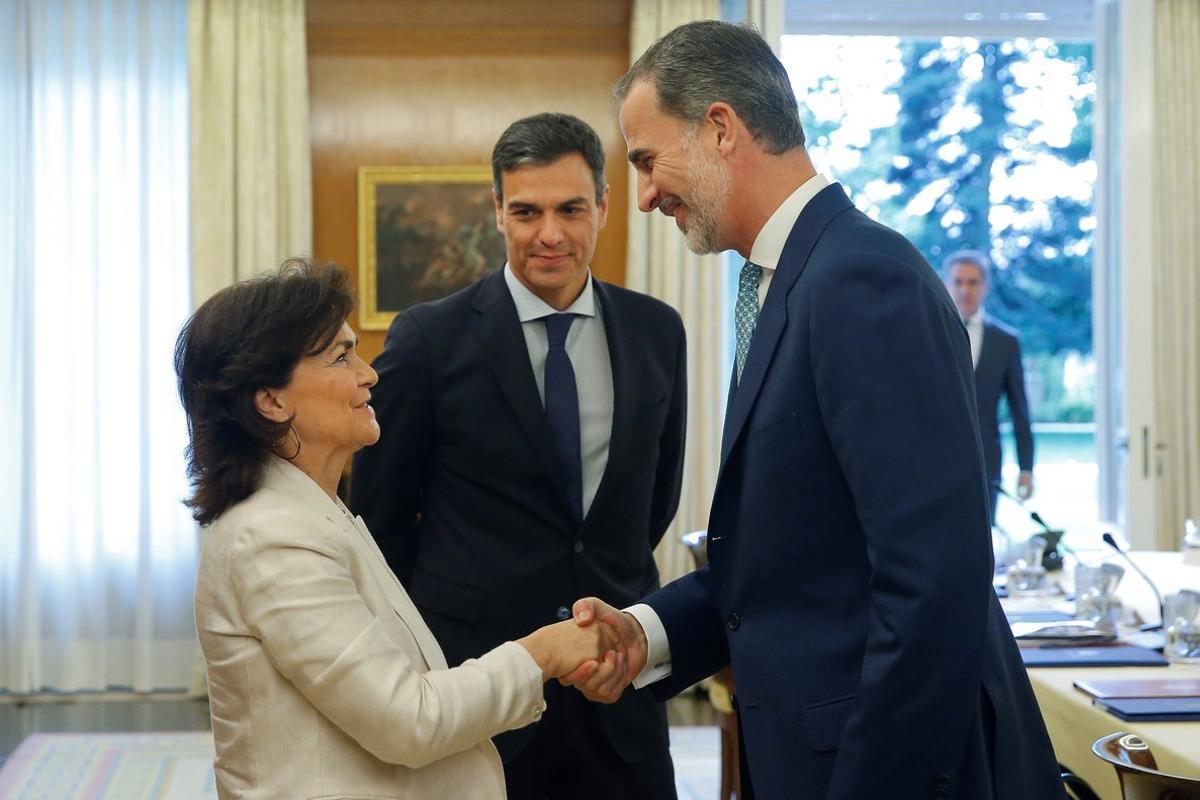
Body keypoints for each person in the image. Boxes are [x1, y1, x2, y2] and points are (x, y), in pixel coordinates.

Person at [563, 21, 1064, 800]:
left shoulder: (861, 281)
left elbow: (932, 582)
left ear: (721, 129)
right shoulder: (788, 281)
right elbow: (790, 561)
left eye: (647, 160)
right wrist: (647, 633)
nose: (645, 194)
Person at [176, 260, 619, 800]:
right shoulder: (273, 538)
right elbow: (411, 720)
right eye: (341, 356)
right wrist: (544, 653)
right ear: (271, 400)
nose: (368, 374)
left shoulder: (315, 512)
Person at [350, 113, 685, 799]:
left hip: (615, 681)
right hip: (480, 686)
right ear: (498, 211)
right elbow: (379, 522)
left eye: (570, 209)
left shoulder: (658, 332)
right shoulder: (429, 340)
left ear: (604, 206)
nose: (550, 234)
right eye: (527, 211)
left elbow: (653, 500)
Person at [944, 250, 1035, 522]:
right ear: (947, 284)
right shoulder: (927, 335)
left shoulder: (1005, 341)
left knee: (983, 540)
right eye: (958, 282)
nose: (964, 290)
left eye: (972, 282)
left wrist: (1026, 467)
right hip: (936, 458)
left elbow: (1020, 410)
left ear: (985, 287)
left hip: (986, 460)